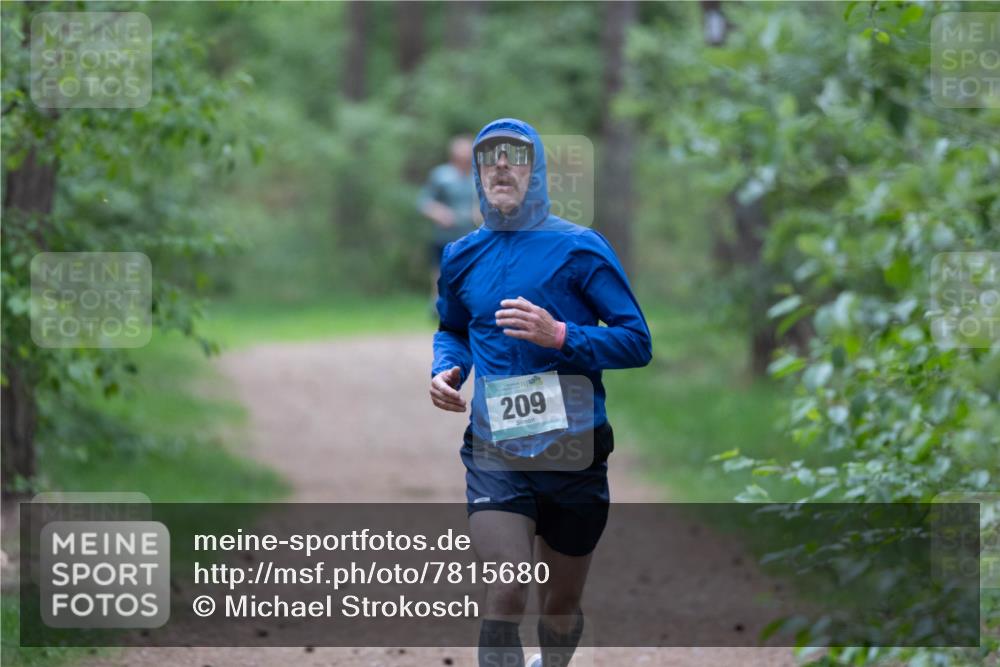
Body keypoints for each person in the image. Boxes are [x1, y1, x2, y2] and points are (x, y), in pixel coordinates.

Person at [429, 118, 652, 667]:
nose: (502, 165)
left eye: (516, 155)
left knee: (560, 604)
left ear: (538, 171)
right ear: (477, 173)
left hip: (573, 447)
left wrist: (560, 335)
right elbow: (453, 329)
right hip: (496, 447)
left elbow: (636, 341)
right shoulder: (461, 255)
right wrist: (448, 368)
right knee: (506, 589)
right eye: (490, 156)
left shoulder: (580, 247)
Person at [417, 135, 479, 310]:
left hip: (472, 235)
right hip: (445, 236)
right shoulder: (441, 175)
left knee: (471, 272)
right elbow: (425, 202)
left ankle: (468, 306)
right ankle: (438, 306)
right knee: (441, 272)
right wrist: (439, 213)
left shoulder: (479, 176)